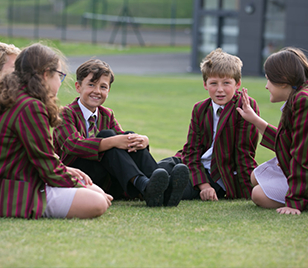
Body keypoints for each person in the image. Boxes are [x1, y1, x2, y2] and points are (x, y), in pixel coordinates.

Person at [53, 59, 189, 207]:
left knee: (128, 136)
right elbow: (72, 145)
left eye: (103, 87)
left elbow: (123, 143)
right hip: (79, 175)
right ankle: (143, 186)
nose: (97, 91)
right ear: (78, 87)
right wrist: (110, 141)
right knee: (107, 136)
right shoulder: (66, 113)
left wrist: (142, 140)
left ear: (108, 91)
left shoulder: (107, 114)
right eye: (91, 84)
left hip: (106, 178)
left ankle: (162, 188)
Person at [0, 43, 113, 219]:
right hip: (14, 193)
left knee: (95, 191)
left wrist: (67, 170)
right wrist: (76, 183)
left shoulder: (16, 97)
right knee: (97, 201)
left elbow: (40, 159)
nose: (60, 83)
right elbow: (48, 169)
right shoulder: (30, 106)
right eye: (59, 76)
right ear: (46, 74)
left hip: (16, 182)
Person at [158, 48, 260, 201]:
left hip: (219, 173)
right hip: (194, 163)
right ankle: (145, 186)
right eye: (213, 83)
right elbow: (191, 151)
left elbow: (244, 153)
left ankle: (159, 192)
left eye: (226, 83)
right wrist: (203, 184)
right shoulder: (200, 109)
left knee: (180, 189)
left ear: (237, 84)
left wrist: (247, 193)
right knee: (162, 166)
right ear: (205, 84)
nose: (220, 90)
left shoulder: (245, 107)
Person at [237, 47, 308, 215]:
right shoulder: (298, 96)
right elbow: (288, 141)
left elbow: (302, 155)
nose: (266, 86)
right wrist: (254, 119)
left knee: (258, 195)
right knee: (255, 176)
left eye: (268, 79)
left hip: (303, 172)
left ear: (283, 81)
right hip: (295, 167)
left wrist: (294, 202)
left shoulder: (303, 101)